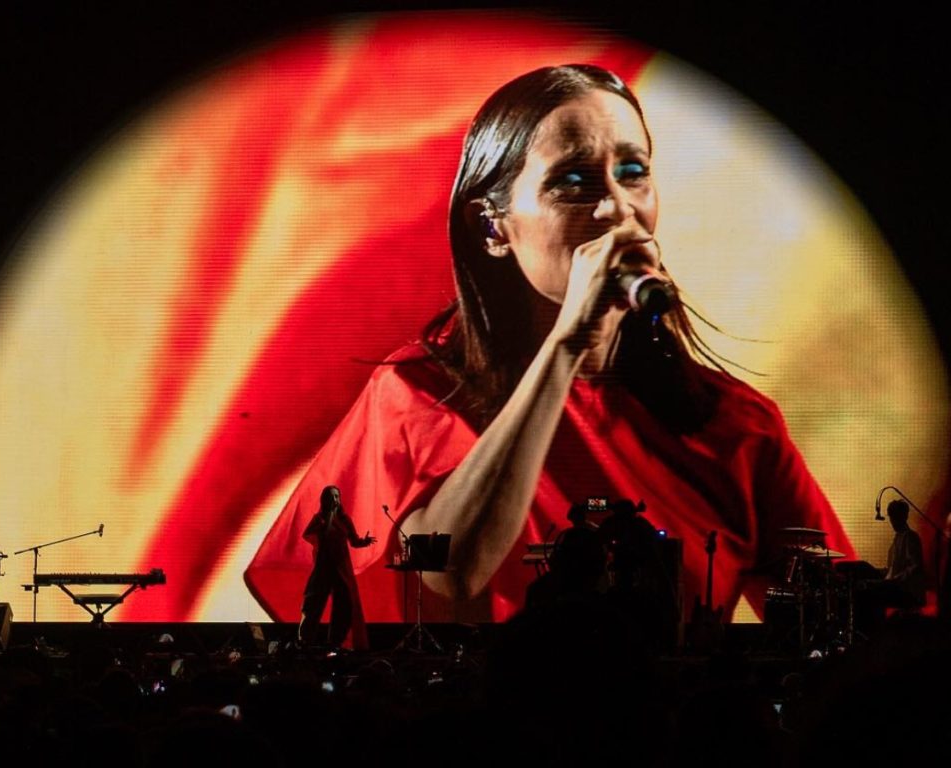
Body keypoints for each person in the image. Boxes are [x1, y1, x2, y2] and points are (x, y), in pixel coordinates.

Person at [245, 64, 854, 625]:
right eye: (573, 182)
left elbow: (837, 623)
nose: (618, 209)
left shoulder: (736, 425)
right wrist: (569, 345)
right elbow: (450, 570)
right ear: (492, 228)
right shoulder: (420, 394)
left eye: (634, 172)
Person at [297, 485, 376, 649]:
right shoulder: (319, 519)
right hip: (323, 568)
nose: (335, 500)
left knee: (344, 605)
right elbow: (309, 535)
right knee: (313, 605)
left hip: (341, 568)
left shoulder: (345, 520)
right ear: (325, 500)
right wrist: (329, 518)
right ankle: (305, 642)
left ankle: (336, 642)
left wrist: (364, 542)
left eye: (337, 496)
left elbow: (354, 541)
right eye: (332, 497)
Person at [881, 499, 926, 608]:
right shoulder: (898, 538)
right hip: (898, 587)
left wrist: (895, 579)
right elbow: (894, 567)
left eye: (895, 517)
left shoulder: (910, 537)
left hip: (907, 591)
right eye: (891, 517)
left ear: (904, 517)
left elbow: (915, 567)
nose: (892, 521)